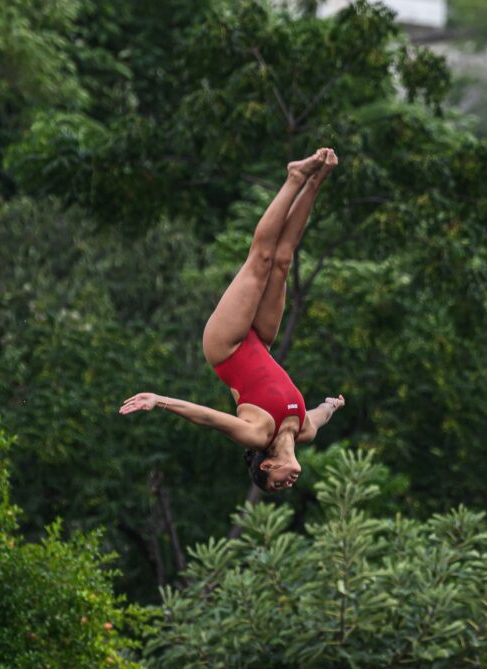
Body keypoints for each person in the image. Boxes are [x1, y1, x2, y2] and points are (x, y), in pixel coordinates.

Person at [120, 148, 345, 492]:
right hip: (261, 341)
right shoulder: (304, 430)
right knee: (283, 261)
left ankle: (295, 177)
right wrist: (332, 405)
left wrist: (159, 400)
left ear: (267, 465)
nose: (288, 484)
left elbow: (207, 417)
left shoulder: (256, 433)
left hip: (226, 346)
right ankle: (317, 179)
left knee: (262, 259)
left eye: (276, 483)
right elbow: (319, 414)